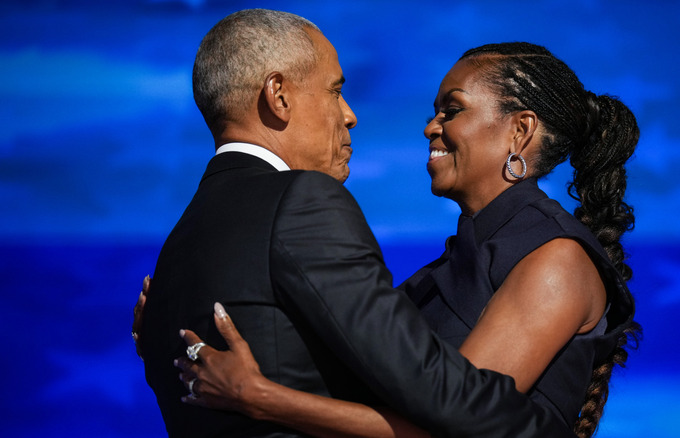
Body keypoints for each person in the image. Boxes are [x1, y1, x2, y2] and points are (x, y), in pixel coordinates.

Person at [139, 8, 575, 438]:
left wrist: (266, 396)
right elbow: (446, 398)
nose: (349, 114)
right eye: (334, 91)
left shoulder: (178, 248)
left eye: (452, 111)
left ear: (521, 131)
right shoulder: (302, 202)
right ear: (279, 95)